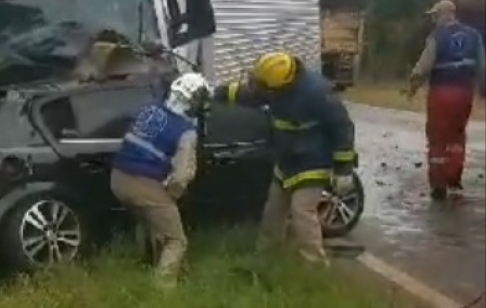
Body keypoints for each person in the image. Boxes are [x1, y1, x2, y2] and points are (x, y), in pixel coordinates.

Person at [213, 52, 357, 265]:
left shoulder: (317, 92)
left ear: (280, 86)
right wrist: (220, 93)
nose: (258, 88)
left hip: (312, 162)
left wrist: (344, 169)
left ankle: (315, 267)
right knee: (272, 214)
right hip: (286, 161)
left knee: (302, 212)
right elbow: (251, 95)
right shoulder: (275, 85)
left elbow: (342, 127)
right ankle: (265, 259)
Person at [110, 72, 212, 288]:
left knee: (148, 220)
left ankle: (146, 263)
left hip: (118, 178)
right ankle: (161, 289)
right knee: (176, 240)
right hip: (144, 183)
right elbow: (182, 174)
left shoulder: (150, 109)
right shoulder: (185, 131)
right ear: (194, 103)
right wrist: (173, 195)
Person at [407, 0, 486, 201]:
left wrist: (413, 85)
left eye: (435, 15)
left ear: (444, 14)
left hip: (441, 92)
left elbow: (424, 66)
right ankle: (454, 176)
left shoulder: (437, 37)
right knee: (457, 134)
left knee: (437, 136)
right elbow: (482, 66)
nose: (433, 20)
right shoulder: (473, 35)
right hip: (464, 92)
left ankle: (438, 183)